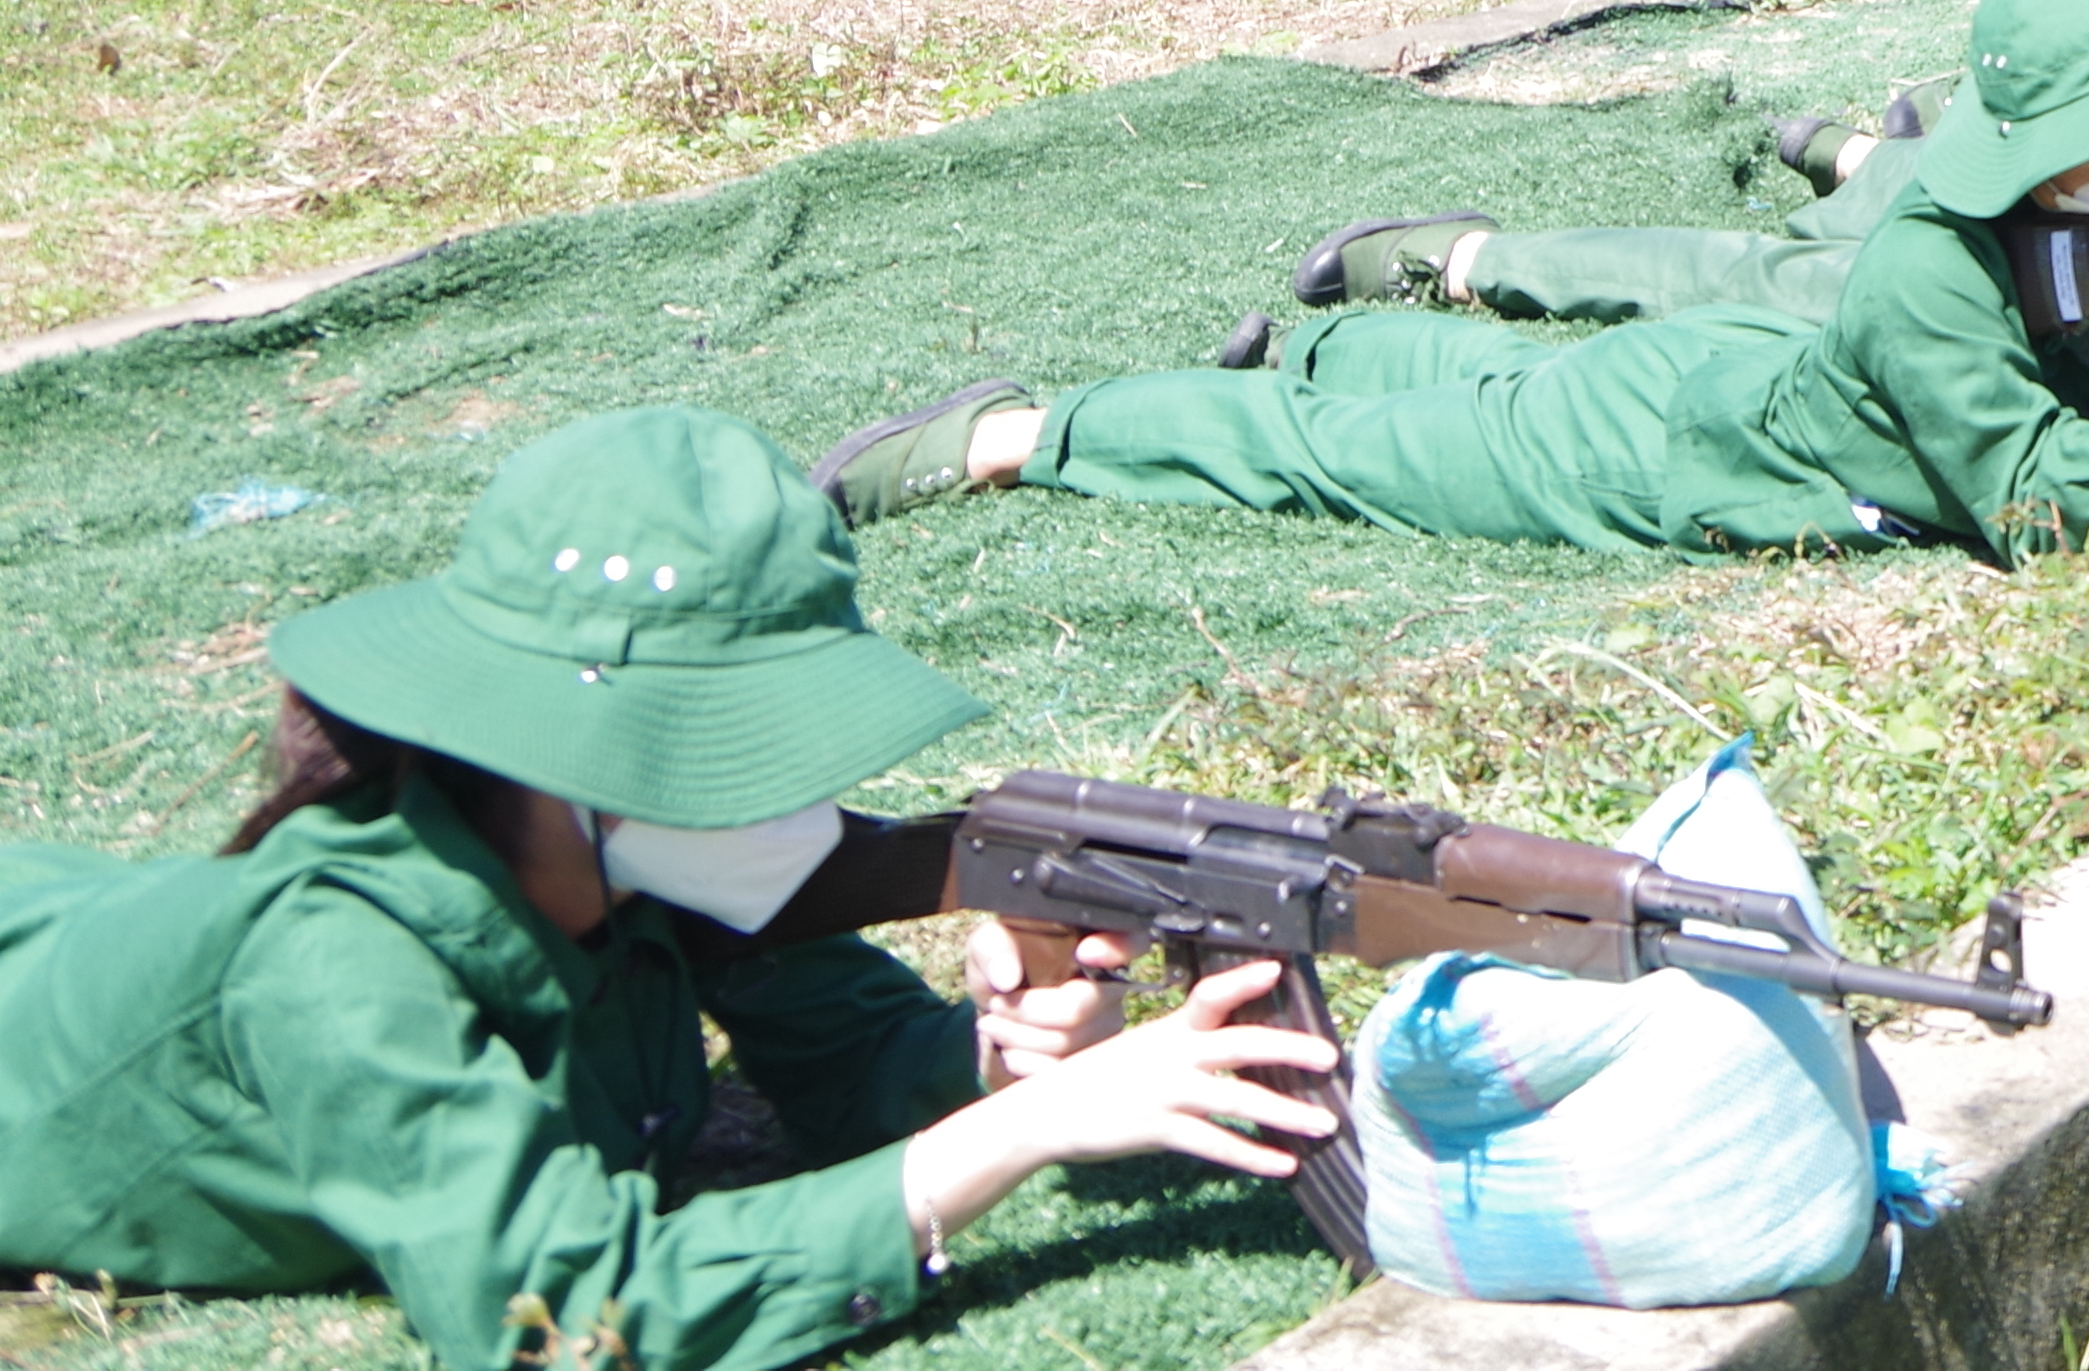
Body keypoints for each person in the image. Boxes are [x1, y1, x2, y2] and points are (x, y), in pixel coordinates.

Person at [0, 406, 1333, 1371]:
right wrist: (1016, 1139)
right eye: (740, 746)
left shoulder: (639, 857)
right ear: (560, 757)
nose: (797, 794)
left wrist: (993, 1062)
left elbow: (847, 1060)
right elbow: (564, 1325)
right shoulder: (333, 967)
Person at [811, 0, 2089, 562]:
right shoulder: (1929, 271)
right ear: (2056, 160)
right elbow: (2044, 507)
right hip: (1675, 448)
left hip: (1740, 388)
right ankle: (1018, 432)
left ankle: (1339, 329)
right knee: (1359, 459)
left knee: (1458, 388)